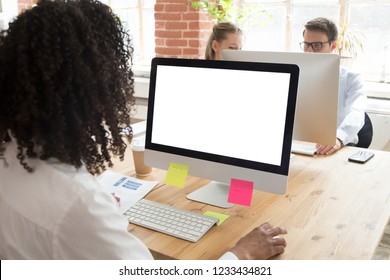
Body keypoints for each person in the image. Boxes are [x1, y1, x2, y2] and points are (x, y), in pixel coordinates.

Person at [0, 0, 287, 259]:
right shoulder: (78, 205)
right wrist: (241, 254)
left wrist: (99, 212)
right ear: (92, 83)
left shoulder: (12, 154)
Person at [301, 17, 367, 155]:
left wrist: (339, 137)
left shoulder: (352, 78)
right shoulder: (297, 74)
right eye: (306, 44)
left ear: (333, 46)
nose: (309, 51)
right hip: (301, 146)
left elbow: (357, 112)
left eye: (317, 45)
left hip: (339, 147)